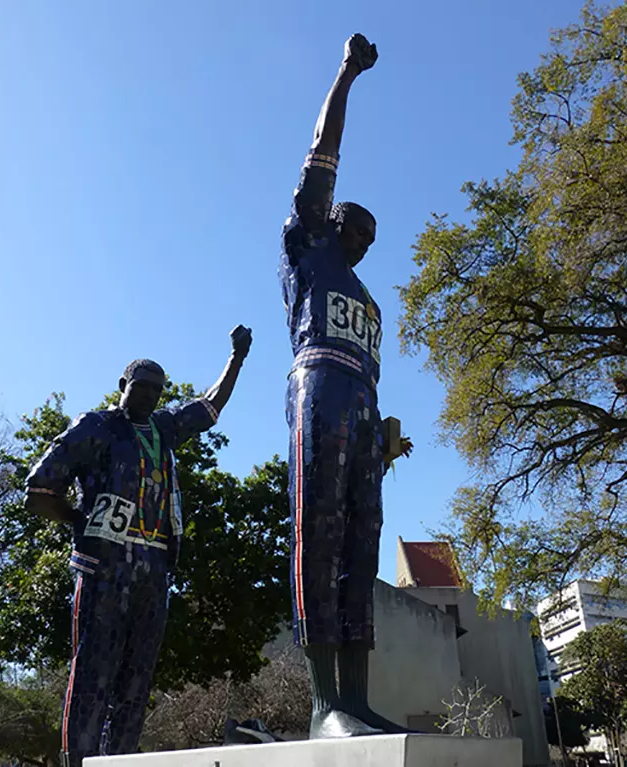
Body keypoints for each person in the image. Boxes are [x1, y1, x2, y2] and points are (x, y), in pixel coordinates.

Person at [24, 326, 252, 766]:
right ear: (122, 387)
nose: (148, 395)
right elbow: (39, 488)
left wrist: (237, 358)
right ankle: (81, 759)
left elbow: (209, 406)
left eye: (156, 389)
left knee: (138, 675)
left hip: (153, 567)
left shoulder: (164, 429)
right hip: (104, 567)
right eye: (141, 387)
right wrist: (79, 521)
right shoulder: (97, 427)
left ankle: (121, 758)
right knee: (93, 667)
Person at [279, 34, 414, 739]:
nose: (360, 240)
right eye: (351, 228)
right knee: (321, 535)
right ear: (329, 224)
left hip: (362, 405)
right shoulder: (307, 250)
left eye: (369, 236)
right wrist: (346, 74)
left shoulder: (367, 299)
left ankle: (356, 700)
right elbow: (320, 156)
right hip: (319, 389)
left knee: (362, 546)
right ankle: (324, 702)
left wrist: (386, 435)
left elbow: (375, 374)